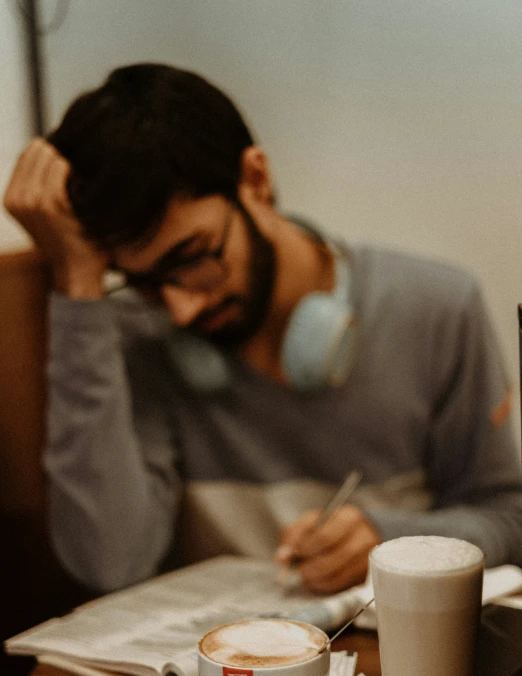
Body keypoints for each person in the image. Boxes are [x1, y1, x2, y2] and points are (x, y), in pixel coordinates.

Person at [4, 63, 522, 595]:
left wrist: (388, 541)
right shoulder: (134, 338)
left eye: (192, 258)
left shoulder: (436, 308)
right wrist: (77, 287)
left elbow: (509, 518)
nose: (180, 310)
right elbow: (109, 564)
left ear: (254, 178)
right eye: (142, 282)